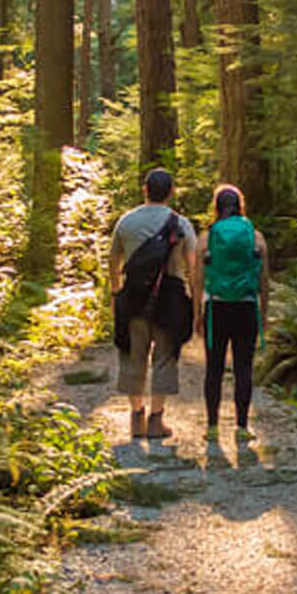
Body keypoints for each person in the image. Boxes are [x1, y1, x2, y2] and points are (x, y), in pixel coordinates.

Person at [108, 168, 197, 439]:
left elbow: (113, 264)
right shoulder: (181, 224)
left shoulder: (126, 222)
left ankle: (136, 418)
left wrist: (116, 295)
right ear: (171, 192)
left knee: (133, 354)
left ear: (145, 189)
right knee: (165, 357)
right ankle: (157, 420)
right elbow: (192, 267)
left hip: (133, 297)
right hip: (170, 298)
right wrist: (194, 302)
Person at [193, 184, 270, 441]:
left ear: (216, 207)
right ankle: (241, 427)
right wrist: (264, 315)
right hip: (247, 307)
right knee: (243, 368)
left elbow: (198, 279)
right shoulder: (255, 236)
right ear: (240, 206)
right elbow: (264, 281)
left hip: (216, 307)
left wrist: (197, 314)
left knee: (214, 368)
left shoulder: (207, 238)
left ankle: (212, 427)